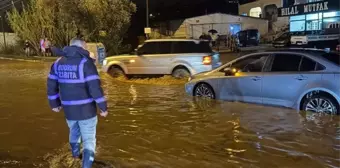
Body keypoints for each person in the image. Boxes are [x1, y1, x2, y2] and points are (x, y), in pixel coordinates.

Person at [47, 38, 108, 168]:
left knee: (74, 132)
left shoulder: (57, 63)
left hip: (69, 110)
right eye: (85, 47)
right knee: (89, 141)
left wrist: (54, 104)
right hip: (86, 111)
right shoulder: (86, 63)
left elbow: (51, 85)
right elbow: (95, 88)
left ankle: (74, 156)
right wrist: (103, 108)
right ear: (82, 47)